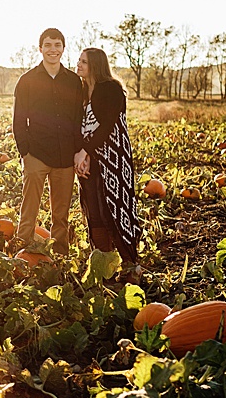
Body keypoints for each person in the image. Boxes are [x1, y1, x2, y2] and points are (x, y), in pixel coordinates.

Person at [12, 28, 84, 255]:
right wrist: (25, 153)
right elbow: (19, 119)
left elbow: (78, 119)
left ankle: (60, 255)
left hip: (65, 155)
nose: (53, 50)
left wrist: (78, 149)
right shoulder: (27, 81)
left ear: (63, 48)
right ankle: (22, 250)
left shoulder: (74, 81)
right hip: (37, 154)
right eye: (48, 45)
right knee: (29, 208)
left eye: (57, 45)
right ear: (40, 48)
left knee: (61, 213)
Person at [74, 47, 142, 278]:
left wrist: (86, 152)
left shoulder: (111, 89)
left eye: (84, 61)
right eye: (79, 60)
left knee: (114, 208)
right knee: (94, 209)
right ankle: (104, 264)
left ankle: (131, 264)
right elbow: (79, 125)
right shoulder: (81, 90)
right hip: (88, 158)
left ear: (96, 65)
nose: (79, 64)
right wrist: (83, 155)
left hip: (113, 159)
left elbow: (107, 127)